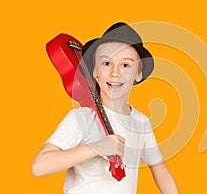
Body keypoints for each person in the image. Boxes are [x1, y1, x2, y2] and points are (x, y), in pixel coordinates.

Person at [31, 22, 179, 194]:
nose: (115, 73)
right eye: (106, 63)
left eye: (125, 65)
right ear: (94, 71)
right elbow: (39, 166)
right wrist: (96, 148)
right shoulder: (82, 118)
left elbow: (160, 171)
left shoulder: (141, 122)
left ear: (138, 74)